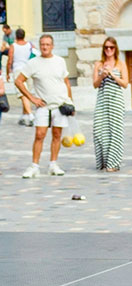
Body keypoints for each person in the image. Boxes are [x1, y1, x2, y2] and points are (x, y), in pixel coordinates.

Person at [15, 34, 71, 178]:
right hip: (43, 105)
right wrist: (32, 98)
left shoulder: (60, 61)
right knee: (40, 135)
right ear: (40, 46)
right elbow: (19, 81)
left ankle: (53, 164)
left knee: (57, 135)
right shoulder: (33, 63)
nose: (45, 47)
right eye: (43, 44)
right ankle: (34, 166)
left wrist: (70, 101)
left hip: (60, 104)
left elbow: (66, 82)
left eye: (47, 44)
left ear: (52, 46)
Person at [92, 36, 128, 172]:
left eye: (111, 47)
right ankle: (103, 161)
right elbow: (95, 84)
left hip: (116, 100)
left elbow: (125, 84)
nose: (109, 50)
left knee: (115, 131)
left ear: (115, 49)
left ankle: (113, 163)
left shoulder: (121, 64)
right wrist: (102, 75)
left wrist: (112, 75)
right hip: (102, 99)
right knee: (99, 130)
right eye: (106, 47)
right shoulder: (98, 64)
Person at [7, 28, 34, 126]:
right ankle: (24, 116)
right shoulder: (30, 45)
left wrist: (7, 73)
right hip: (29, 69)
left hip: (18, 70)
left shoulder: (13, 46)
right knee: (27, 93)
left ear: (16, 36)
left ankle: (30, 115)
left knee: (23, 94)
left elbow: (10, 60)